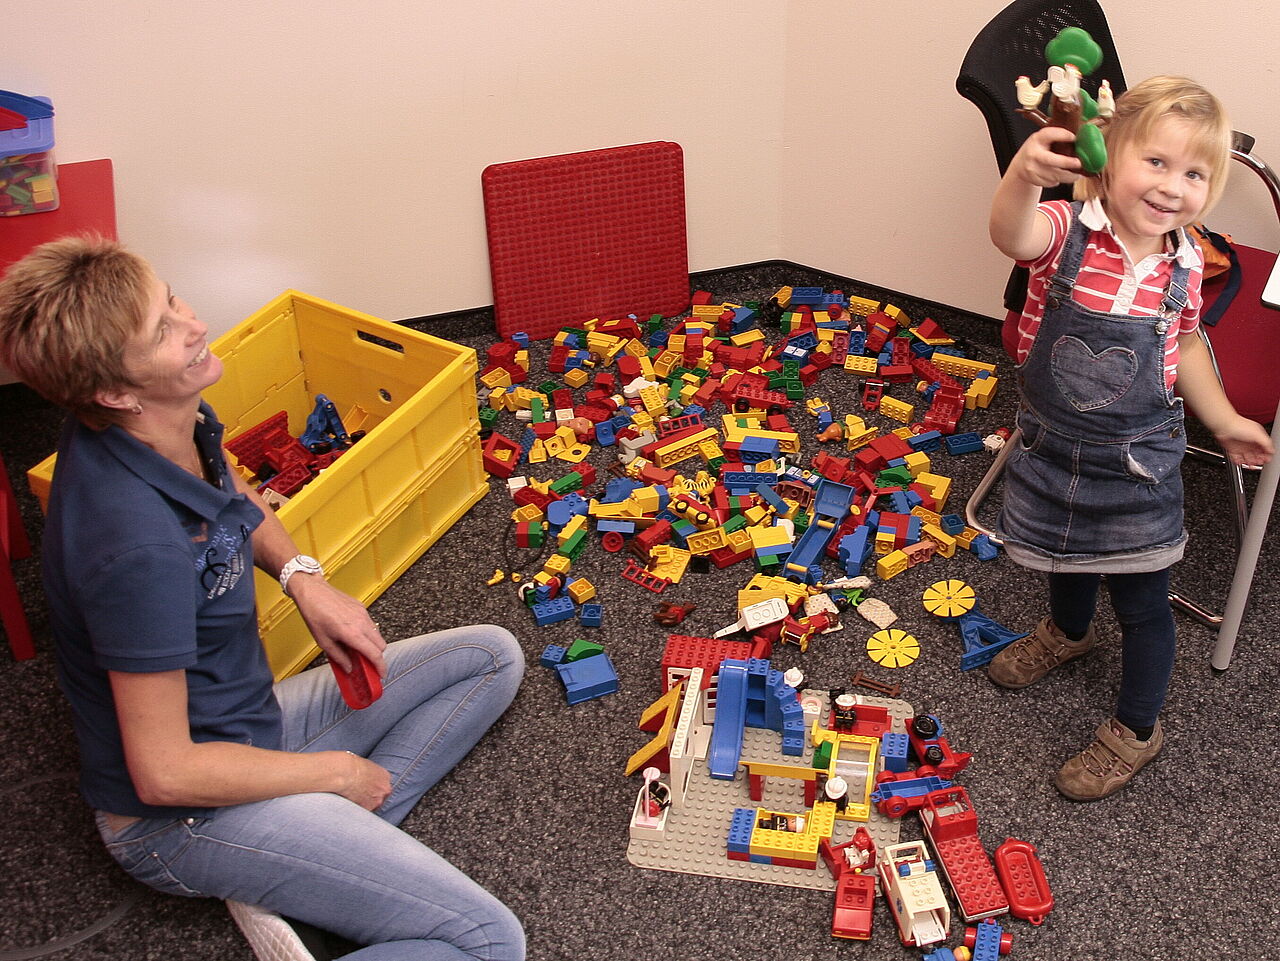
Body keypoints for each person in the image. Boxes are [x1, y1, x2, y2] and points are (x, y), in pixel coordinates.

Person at [0, 236, 526, 960]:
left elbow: (230, 492)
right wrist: (335, 773)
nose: (193, 324)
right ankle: (304, 858)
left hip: (253, 724)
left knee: (489, 657)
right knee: (488, 940)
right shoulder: (134, 548)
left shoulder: (169, 416)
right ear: (116, 391)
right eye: (161, 330)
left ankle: (310, 871)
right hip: (179, 815)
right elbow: (164, 771)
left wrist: (302, 576)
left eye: (172, 299)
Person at [985, 76, 1274, 802]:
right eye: (1156, 162)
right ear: (1107, 157)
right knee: (1064, 556)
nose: (1173, 186)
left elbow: (1189, 346)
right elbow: (1009, 235)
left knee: (1145, 603)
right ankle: (1068, 630)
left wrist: (1225, 419)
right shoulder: (1064, 230)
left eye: (1195, 173)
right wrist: (1022, 175)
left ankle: (1136, 728)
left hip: (1137, 466)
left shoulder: (1184, 261)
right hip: (1053, 447)